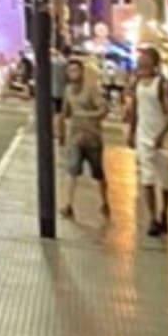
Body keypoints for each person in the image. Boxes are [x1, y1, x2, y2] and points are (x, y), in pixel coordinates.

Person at [127, 45, 168, 241]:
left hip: (161, 137)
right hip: (143, 135)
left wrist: (162, 134)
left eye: (145, 60)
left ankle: (164, 212)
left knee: (165, 179)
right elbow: (135, 110)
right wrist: (131, 132)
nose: (141, 63)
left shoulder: (161, 84)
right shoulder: (137, 83)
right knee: (146, 178)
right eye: (140, 61)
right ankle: (153, 217)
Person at [57, 57, 109, 222]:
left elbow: (103, 109)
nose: (73, 73)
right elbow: (65, 112)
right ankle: (68, 204)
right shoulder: (67, 90)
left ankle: (105, 202)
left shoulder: (91, 89)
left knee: (98, 173)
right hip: (76, 138)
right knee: (72, 170)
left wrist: (88, 115)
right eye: (70, 70)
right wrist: (61, 133)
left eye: (76, 70)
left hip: (93, 137)